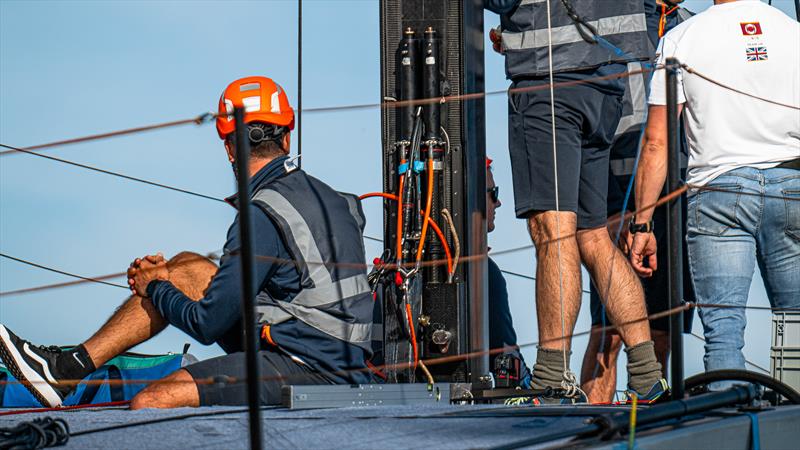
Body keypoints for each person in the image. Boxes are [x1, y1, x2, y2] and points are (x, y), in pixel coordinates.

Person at [0, 76, 375, 408]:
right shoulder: (339, 201)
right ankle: (64, 370)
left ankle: (65, 370)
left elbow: (208, 325)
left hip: (309, 367)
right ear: (287, 136)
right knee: (185, 267)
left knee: (152, 401)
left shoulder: (263, 213)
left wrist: (155, 287)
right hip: (333, 354)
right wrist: (166, 278)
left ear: (229, 147)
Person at [485, 0, 667, 403]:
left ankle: (551, 377)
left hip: (551, 81)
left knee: (553, 229)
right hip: (607, 81)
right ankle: (646, 375)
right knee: (592, 235)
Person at [631, 0, 800, 388]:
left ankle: (730, 429)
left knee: (723, 333)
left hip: (719, 191)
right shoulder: (793, 33)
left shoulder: (683, 37)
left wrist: (642, 223)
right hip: (792, 186)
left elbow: (657, 143)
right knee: (797, 331)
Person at [580, 0, 696, 404]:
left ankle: (648, 425)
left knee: (663, 330)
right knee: (608, 331)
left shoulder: (694, 27)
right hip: (616, 189)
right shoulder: (609, 18)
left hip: (677, 195)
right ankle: (590, 428)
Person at [485, 158, 530, 388]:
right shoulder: (483, 274)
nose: (499, 202)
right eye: (493, 193)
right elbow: (508, 360)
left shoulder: (395, 266)